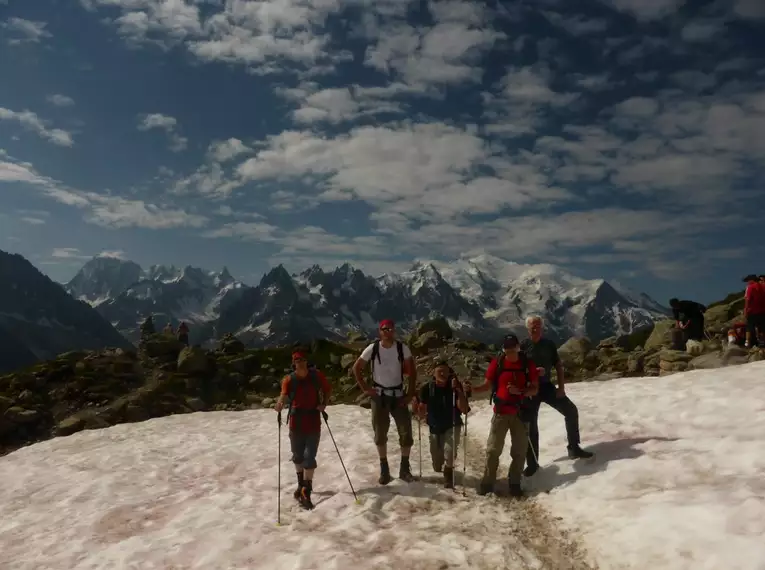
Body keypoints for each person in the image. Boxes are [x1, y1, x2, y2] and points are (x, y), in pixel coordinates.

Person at [520, 316, 593, 478]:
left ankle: (574, 447)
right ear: (527, 328)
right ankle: (532, 464)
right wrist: (532, 373)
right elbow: (517, 370)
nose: (536, 328)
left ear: (542, 327)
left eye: (538, 325)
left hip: (546, 386)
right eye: (533, 325)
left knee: (571, 410)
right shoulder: (523, 346)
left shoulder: (549, 345)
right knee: (531, 426)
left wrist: (561, 387)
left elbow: (558, 366)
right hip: (530, 389)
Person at [470, 333, 539, 498]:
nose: (510, 351)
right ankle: (487, 482)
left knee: (519, 451)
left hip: (520, 413)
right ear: (504, 349)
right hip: (501, 412)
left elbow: (535, 389)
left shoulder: (527, 364)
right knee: (493, 450)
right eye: (507, 348)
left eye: (512, 347)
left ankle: (514, 483)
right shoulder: (498, 363)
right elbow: (487, 385)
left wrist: (520, 392)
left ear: (517, 347)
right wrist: (471, 389)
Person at [352, 319, 417, 484]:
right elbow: (356, 367)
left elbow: (413, 371)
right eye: (384, 329)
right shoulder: (373, 348)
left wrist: (409, 394)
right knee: (380, 434)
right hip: (379, 396)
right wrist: (366, 388)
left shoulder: (402, 348)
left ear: (394, 331)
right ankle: (384, 469)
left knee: (406, 433)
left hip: (398, 395)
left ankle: (404, 468)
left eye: (390, 329)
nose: (388, 331)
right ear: (380, 331)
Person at [274, 351, 332, 510]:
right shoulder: (289, 380)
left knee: (309, 456)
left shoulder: (316, 376)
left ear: (306, 361)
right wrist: (279, 404)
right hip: (297, 422)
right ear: (293, 363)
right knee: (298, 455)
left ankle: (306, 489)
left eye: (302, 359)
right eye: (297, 360)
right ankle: (301, 486)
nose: (300, 362)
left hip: (311, 420)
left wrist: (324, 404)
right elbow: (283, 395)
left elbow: (327, 390)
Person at [414, 360, 469, 488]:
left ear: (450, 373)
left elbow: (464, 409)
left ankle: (448, 474)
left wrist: (459, 391)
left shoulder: (455, 388)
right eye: (440, 371)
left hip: (453, 423)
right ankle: (443, 468)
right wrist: (417, 407)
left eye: (446, 371)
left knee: (450, 451)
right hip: (435, 426)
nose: (443, 374)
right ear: (434, 373)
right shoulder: (427, 388)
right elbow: (421, 412)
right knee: (437, 465)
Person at [743, 275, 765, 349]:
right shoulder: (763, 286)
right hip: (762, 311)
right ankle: (762, 343)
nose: (747, 282)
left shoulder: (750, 287)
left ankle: (747, 343)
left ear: (752, 280)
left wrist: (746, 310)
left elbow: (747, 299)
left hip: (752, 311)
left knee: (749, 327)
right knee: (761, 327)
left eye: (748, 280)